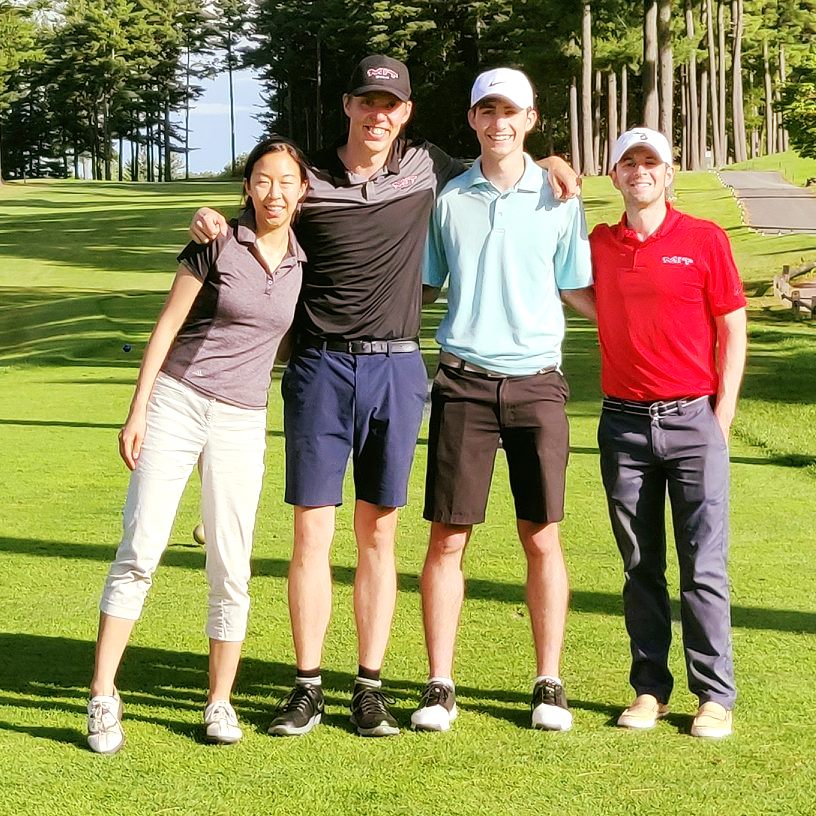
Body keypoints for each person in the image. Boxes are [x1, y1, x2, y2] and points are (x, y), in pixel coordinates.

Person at [190, 55, 580, 738]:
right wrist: (212, 222)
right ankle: (307, 684)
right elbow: (257, 219)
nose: (378, 115)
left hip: (397, 371)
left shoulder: (429, 168)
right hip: (317, 370)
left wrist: (556, 160)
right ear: (348, 105)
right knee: (312, 531)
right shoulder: (306, 179)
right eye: (367, 102)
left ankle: (368, 686)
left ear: (406, 114)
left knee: (380, 533)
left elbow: (502, 154)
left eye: (391, 105)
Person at [86, 136, 309, 754]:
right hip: (178, 401)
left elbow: (282, 343)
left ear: (302, 192)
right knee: (141, 547)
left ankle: (219, 702)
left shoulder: (301, 264)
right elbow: (166, 327)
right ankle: (103, 695)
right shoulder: (213, 244)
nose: (275, 192)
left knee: (232, 566)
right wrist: (138, 410)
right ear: (247, 187)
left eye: (287, 182)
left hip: (242, 420)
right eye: (263, 180)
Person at [412, 68, 595, 733]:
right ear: (472, 120)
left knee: (541, 535)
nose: (498, 122)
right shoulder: (448, 198)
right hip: (463, 382)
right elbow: (425, 289)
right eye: (486, 111)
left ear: (531, 118)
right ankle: (439, 684)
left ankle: (549, 682)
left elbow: (579, 287)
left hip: (538, 383)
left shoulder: (559, 197)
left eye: (509, 112)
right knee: (448, 537)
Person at [590, 127, 747, 739]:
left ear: (669, 171)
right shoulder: (601, 242)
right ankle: (649, 689)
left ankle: (714, 696)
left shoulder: (703, 238)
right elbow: (578, 289)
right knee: (639, 565)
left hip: (692, 420)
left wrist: (722, 417)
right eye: (628, 162)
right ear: (616, 176)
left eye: (650, 161)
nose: (640, 171)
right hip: (623, 423)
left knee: (703, 565)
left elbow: (733, 329)